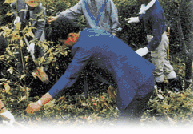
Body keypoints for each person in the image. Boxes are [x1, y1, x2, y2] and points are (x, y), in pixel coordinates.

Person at [26, 17, 156, 124]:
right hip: (140, 76)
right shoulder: (90, 32)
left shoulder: (84, 48)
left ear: (71, 36)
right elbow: (114, 57)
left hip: (138, 83)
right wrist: (113, 83)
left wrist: (39, 103)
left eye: (62, 42)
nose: (63, 45)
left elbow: (68, 78)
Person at [127, 0, 180, 91]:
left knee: (157, 67)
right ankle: (176, 85)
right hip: (157, 38)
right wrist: (137, 19)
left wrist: (146, 49)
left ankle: (160, 90)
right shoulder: (150, 5)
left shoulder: (156, 13)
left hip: (157, 40)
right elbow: (146, 14)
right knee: (163, 62)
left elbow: (157, 38)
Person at [48, 0, 120, 35]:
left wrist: (114, 34)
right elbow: (71, 12)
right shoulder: (83, 2)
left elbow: (114, 18)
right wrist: (56, 17)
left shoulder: (107, 1)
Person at [11, 0, 48, 82]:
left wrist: (33, 42)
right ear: (26, 1)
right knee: (18, 49)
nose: (32, 7)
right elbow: (12, 7)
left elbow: (40, 27)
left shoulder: (41, 9)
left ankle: (43, 69)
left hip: (35, 29)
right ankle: (22, 74)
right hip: (20, 26)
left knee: (41, 48)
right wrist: (16, 16)